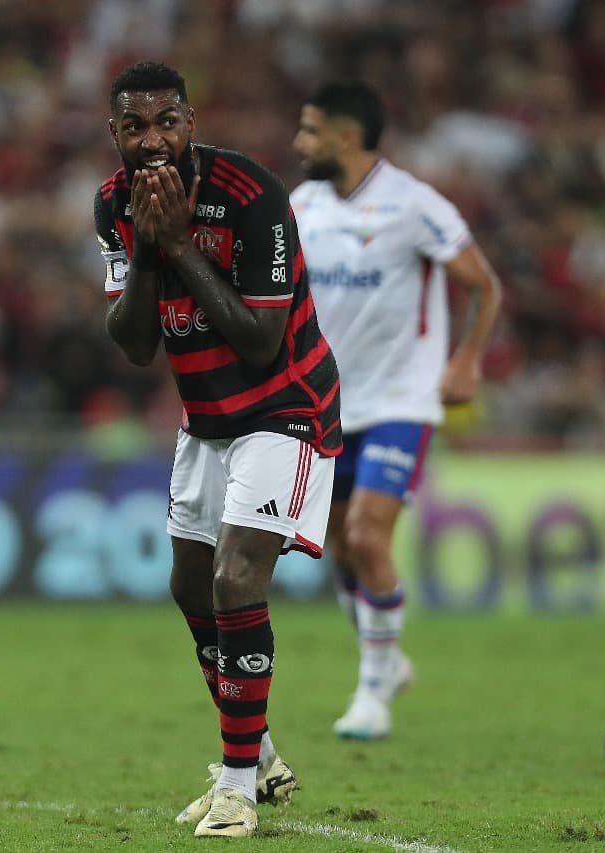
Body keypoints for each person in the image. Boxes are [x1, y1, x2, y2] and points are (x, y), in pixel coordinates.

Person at [97, 61, 342, 837]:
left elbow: (263, 339)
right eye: (134, 127)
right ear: (116, 135)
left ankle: (236, 788)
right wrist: (146, 250)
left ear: (191, 122)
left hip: (287, 403)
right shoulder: (112, 206)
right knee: (189, 584)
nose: (153, 139)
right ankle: (260, 753)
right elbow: (134, 345)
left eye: (166, 121)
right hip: (206, 417)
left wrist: (180, 245)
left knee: (239, 579)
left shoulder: (252, 196)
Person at [290, 82, 502, 740]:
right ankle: (387, 656)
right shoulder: (303, 204)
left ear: (345, 138)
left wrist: (465, 360)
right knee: (336, 544)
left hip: (400, 399)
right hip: (325, 399)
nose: (300, 144)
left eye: (310, 131)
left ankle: (373, 689)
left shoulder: (414, 205)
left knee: (368, 536)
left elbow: (484, 284)